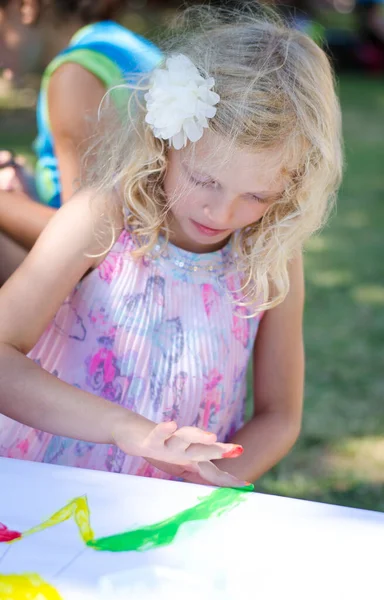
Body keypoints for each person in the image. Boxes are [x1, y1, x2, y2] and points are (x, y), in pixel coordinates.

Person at [0, 5, 343, 488]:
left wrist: (207, 483)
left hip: (167, 515)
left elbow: (279, 416)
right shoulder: (104, 216)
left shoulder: (272, 253)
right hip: (44, 489)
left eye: (258, 196)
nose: (222, 215)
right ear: (164, 143)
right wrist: (123, 429)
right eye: (205, 180)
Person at [0, 0, 162, 283]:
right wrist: (27, 193)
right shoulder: (123, 46)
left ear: (23, 7)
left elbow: (90, 242)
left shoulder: (75, 75)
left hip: (127, 291)